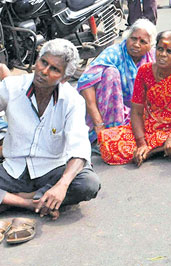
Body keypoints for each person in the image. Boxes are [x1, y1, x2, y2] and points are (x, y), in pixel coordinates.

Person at [0, 40, 100, 233]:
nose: (44, 71)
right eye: (43, 62)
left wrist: (62, 185)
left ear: (64, 78)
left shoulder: (72, 101)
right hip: (13, 169)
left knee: (88, 184)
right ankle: (30, 202)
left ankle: (12, 200)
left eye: (54, 69)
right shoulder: (12, 87)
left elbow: (80, 150)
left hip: (52, 169)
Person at [98, 31, 171, 166]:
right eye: (159, 49)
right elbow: (136, 112)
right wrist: (141, 143)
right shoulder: (144, 71)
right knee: (108, 141)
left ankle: (154, 151)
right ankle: (161, 148)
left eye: (169, 51)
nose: (162, 55)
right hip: (151, 129)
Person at [77, 19, 157, 145]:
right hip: (105, 112)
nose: (136, 44)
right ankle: (109, 132)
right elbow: (86, 83)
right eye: (133, 39)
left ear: (150, 46)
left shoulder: (153, 58)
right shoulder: (113, 53)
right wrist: (98, 123)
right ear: (127, 38)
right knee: (111, 73)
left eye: (143, 42)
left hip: (136, 113)